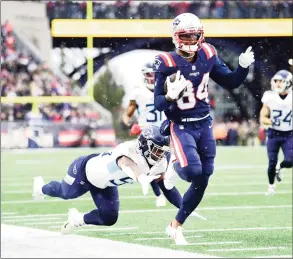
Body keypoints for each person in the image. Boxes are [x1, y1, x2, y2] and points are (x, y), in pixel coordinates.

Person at [153, 13, 254, 245]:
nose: (191, 40)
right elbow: (158, 103)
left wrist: (242, 68)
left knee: (204, 178)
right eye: (186, 35)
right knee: (191, 172)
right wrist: (169, 95)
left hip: (204, 124)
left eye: (195, 35)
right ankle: (172, 167)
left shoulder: (207, 53)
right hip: (180, 125)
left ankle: (176, 225)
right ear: (176, 37)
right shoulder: (166, 62)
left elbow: (230, 81)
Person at [32, 125, 184, 234]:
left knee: (109, 217)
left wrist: (184, 207)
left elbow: (166, 186)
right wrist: (140, 177)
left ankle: (77, 219)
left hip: (105, 184)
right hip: (84, 171)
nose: (160, 155)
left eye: (163, 152)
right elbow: (124, 162)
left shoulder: (159, 162)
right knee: (65, 193)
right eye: (157, 150)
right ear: (145, 145)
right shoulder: (129, 149)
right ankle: (40, 188)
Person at [122, 62, 167, 207]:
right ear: (144, 76)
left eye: (154, 74)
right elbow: (126, 116)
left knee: (166, 169)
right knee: (151, 167)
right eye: (149, 74)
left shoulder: (166, 88)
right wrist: (131, 125)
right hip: (146, 134)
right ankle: (159, 195)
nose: (152, 77)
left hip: (165, 132)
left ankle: (165, 194)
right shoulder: (138, 92)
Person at [260, 70, 292, 195]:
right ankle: (271, 186)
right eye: (276, 81)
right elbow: (262, 117)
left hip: (289, 133)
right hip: (274, 134)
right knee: (271, 161)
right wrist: (271, 121)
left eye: (281, 81)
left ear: (288, 82)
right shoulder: (269, 96)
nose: (278, 84)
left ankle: (281, 166)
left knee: (290, 161)